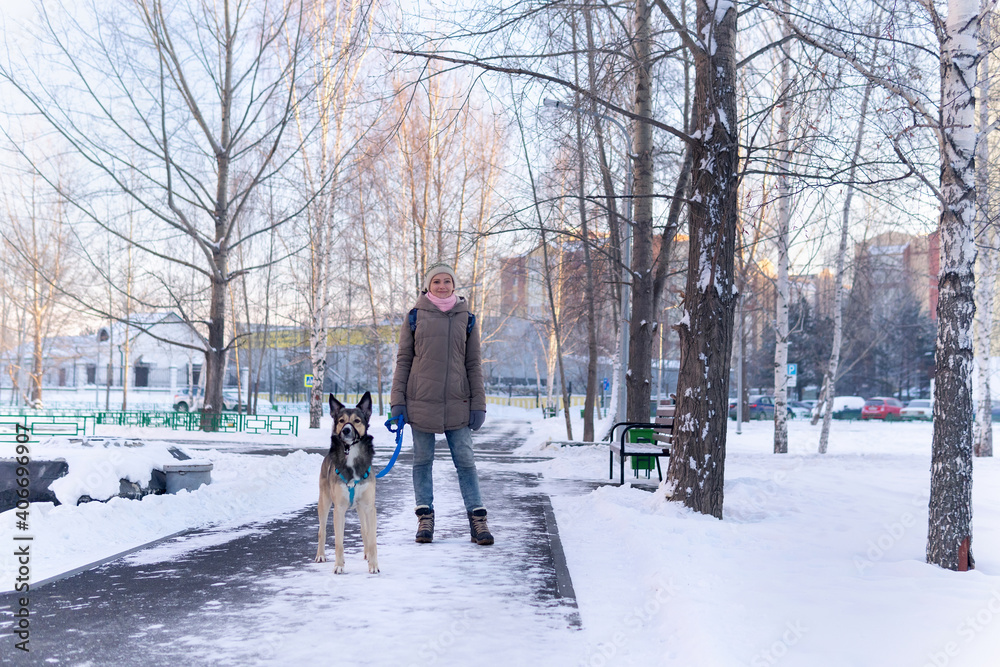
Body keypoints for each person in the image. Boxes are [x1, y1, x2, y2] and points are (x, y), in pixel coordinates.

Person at [390, 262, 493, 546]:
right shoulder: (414, 317)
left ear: (454, 285)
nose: (442, 286)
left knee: (466, 463)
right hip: (420, 402)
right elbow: (403, 361)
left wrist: (478, 404)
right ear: (428, 285)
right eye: (437, 281)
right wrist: (397, 402)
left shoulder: (467, 318)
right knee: (422, 462)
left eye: (447, 281)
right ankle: (425, 518)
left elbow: (474, 364)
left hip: (458, 403)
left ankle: (478, 520)